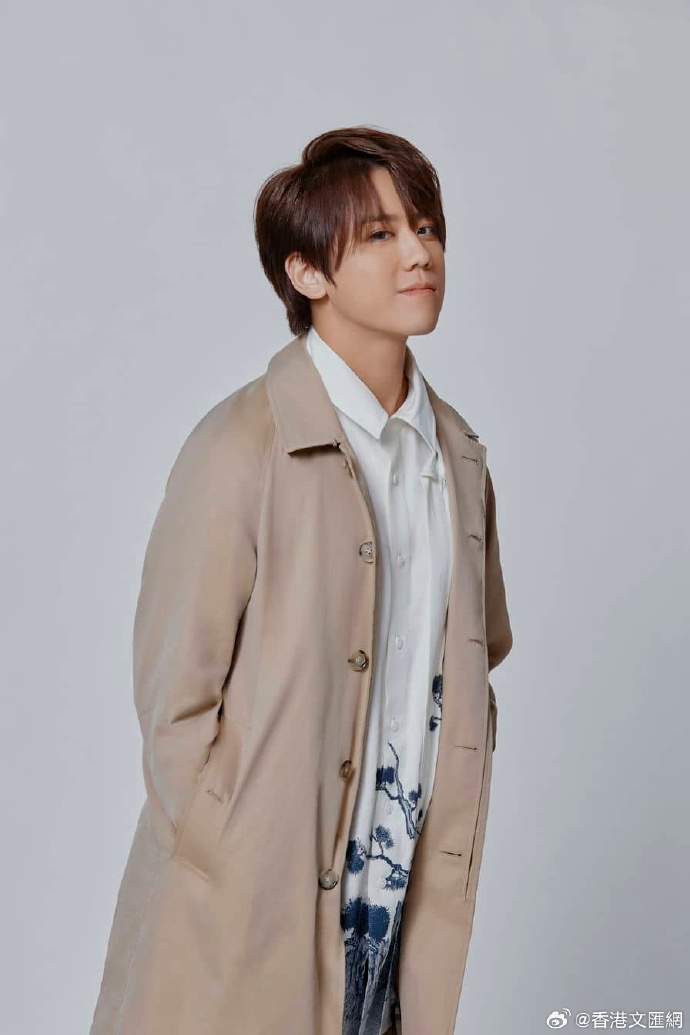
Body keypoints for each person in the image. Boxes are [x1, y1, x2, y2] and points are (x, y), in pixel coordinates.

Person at [89, 125, 513, 1035]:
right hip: (247, 911)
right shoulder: (241, 448)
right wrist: (230, 848)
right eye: (380, 234)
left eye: (426, 227)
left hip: (397, 910)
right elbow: (173, 699)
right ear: (306, 272)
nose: (420, 253)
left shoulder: (459, 459)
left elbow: (479, 656)